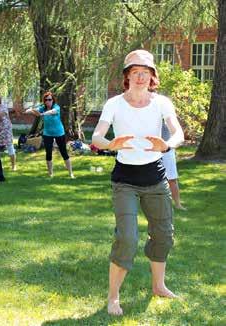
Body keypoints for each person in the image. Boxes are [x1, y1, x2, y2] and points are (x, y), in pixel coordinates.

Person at [91, 49, 184, 316]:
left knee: (164, 234)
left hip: (155, 177)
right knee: (127, 238)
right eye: (135, 72)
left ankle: (158, 285)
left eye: (145, 72)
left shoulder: (162, 103)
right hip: (126, 181)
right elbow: (97, 135)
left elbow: (177, 132)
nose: (141, 77)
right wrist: (109, 144)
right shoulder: (114, 104)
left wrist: (167, 144)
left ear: (152, 77)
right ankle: (113, 297)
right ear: (127, 76)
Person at [25, 91, 74, 178]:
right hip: (47, 134)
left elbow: (52, 112)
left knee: (64, 152)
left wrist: (42, 114)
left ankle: (71, 173)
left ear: (53, 100)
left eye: (50, 99)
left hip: (59, 133)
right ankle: (50, 174)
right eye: (46, 100)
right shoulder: (42, 108)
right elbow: (28, 111)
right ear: (44, 101)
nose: (48, 101)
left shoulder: (56, 107)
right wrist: (31, 110)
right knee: (48, 153)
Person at [162, 123, 186, 210]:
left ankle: (178, 204)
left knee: (171, 179)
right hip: (151, 149)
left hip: (167, 150)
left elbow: (177, 133)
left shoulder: (166, 113)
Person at [0, 93, 17, 171]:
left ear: (0, 100)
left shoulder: (4, 107)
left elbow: (0, 115)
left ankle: (13, 166)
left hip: (6, 130)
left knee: (10, 147)